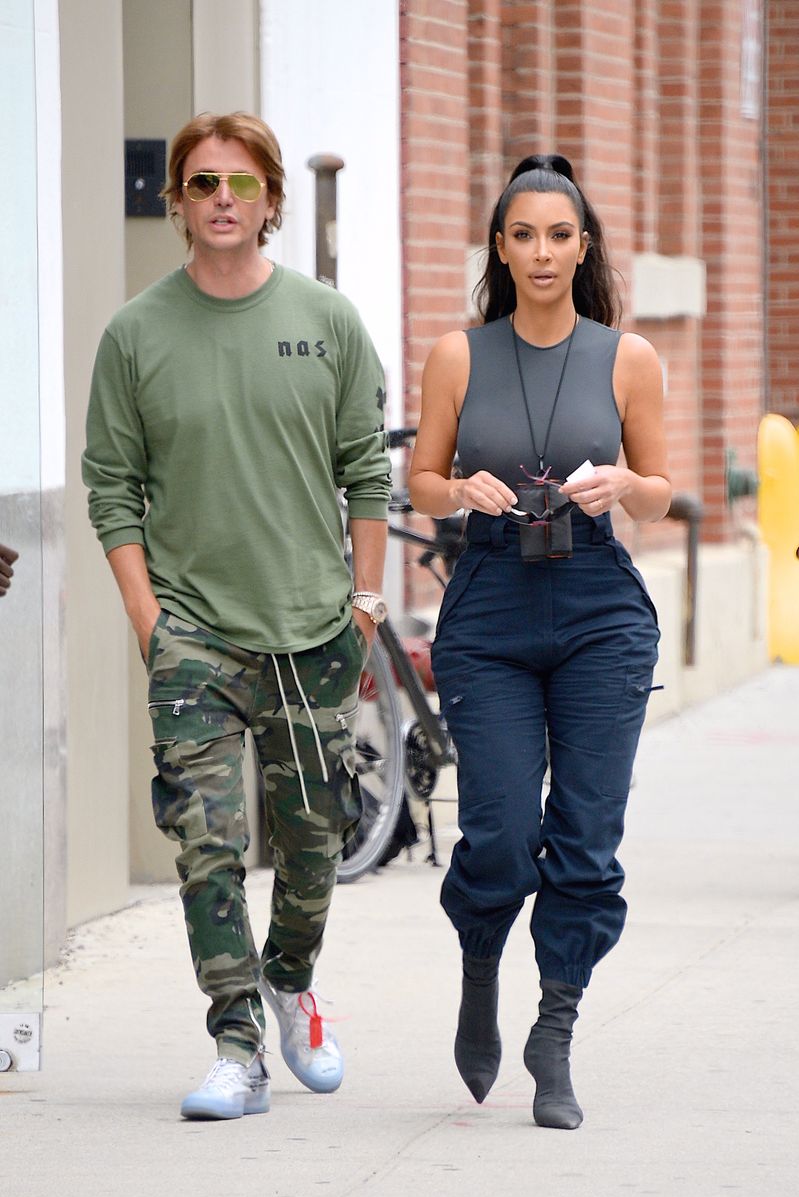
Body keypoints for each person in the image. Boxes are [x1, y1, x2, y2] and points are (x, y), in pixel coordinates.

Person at [82, 112, 391, 1121]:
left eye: (243, 183)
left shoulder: (327, 320)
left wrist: (367, 599)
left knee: (312, 844)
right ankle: (235, 1043)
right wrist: (149, 625)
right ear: (176, 199)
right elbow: (112, 490)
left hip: (312, 630)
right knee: (206, 845)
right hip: (196, 640)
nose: (224, 198)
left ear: (270, 200)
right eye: (204, 182)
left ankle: (291, 979)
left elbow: (365, 474)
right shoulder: (136, 333)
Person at [408, 154, 670, 1129]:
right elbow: (423, 478)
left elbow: (660, 489)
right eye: (523, 234)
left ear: (583, 245)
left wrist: (620, 488)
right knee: (504, 834)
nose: (542, 252)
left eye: (559, 235)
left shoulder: (626, 357)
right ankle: (482, 961)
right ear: (500, 247)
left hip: (600, 607)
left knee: (587, 841)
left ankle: (553, 1029)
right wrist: (457, 491)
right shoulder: (458, 355)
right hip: (490, 609)